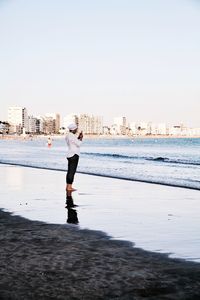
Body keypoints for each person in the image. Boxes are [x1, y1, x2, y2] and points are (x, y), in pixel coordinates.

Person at [65, 123, 83, 191]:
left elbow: (74, 143)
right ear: (73, 129)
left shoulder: (68, 135)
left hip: (70, 154)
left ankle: (68, 186)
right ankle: (69, 187)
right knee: (72, 172)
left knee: (69, 171)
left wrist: (78, 138)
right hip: (74, 154)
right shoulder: (72, 136)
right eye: (76, 129)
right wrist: (81, 138)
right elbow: (79, 144)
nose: (76, 130)